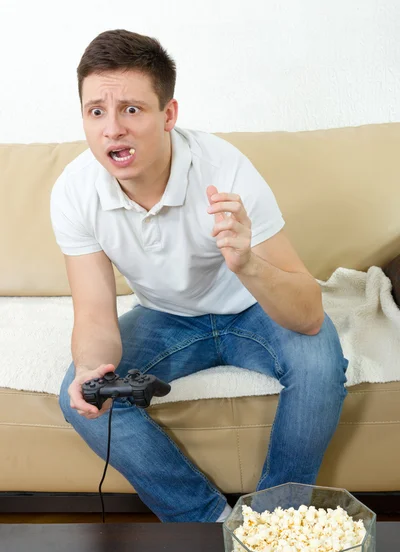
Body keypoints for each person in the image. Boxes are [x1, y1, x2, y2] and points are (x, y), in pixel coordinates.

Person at [50, 29, 349, 523]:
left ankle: (275, 523)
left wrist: (247, 262)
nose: (112, 130)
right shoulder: (74, 192)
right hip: (167, 317)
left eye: (132, 109)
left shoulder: (226, 170)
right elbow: (94, 314)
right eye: (96, 112)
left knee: (321, 365)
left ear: (168, 115)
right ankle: (211, 524)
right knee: (79, 392)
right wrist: (91, 368)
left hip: (252, 307)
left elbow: (309, 314)